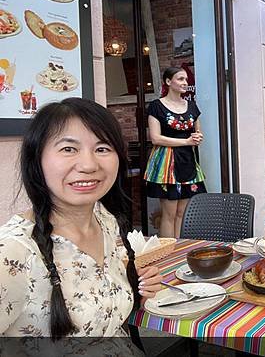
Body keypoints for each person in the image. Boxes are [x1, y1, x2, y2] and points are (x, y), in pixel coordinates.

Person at [0, 98, 162, 348]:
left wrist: (132, 285)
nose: (89, 165)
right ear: (37, 160)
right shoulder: (12, 253)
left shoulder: (104, 218)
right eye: (68, 149)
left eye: (102, 148)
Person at [145, 67, 207, 238]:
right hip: (166, 164)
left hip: (187, 162)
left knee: (182, 213)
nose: (185, 83)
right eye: (180, 79)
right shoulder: (156, 106)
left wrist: (197, 138)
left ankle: (179, 252)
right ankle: (167, 255)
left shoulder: (192, 106)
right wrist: (185, 142)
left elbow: (198, 133)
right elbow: (155, 138)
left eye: (186, 80)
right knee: (169, 214)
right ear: (168, 82)